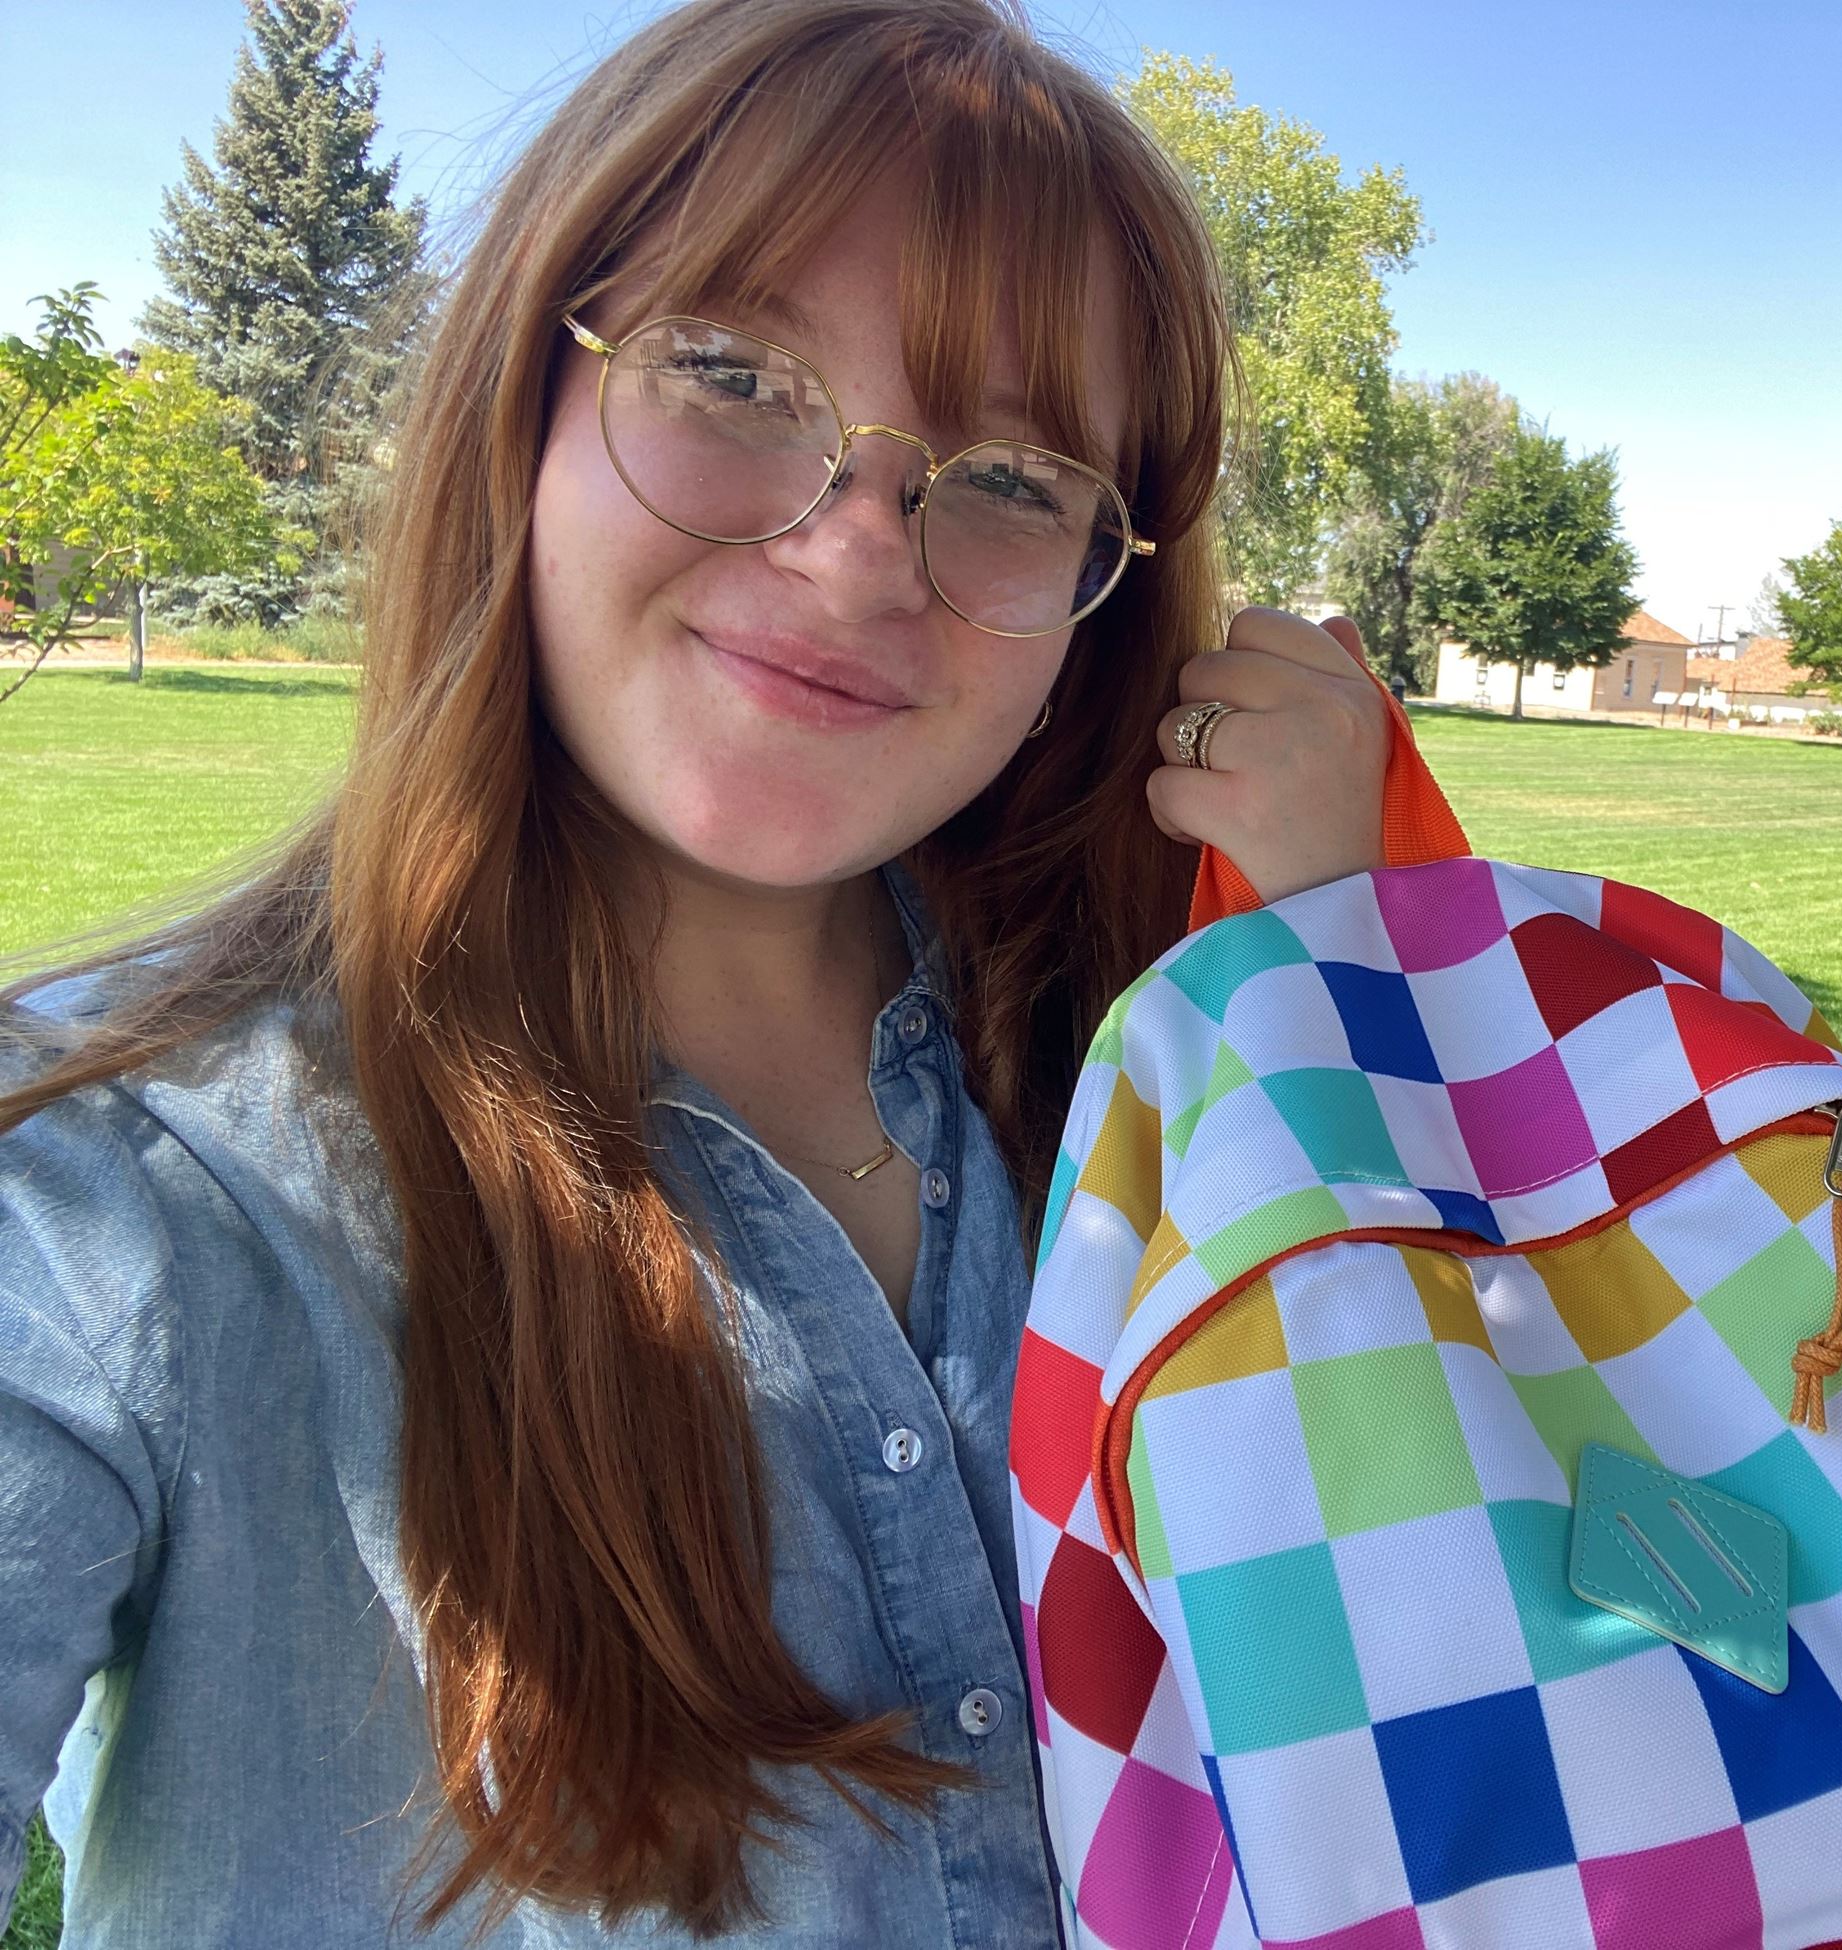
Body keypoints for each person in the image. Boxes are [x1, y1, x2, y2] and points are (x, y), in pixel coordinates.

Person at [0, 2, 1392, 1942]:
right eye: (732, 369)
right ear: (529, 397)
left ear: (1106, 582)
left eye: (1010, 474)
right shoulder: (106, 1188)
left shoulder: (1163, 1090)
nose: (852, 554)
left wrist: (1347, 947)